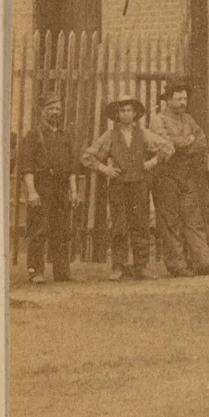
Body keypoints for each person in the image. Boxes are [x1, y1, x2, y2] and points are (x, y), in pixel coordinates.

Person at [82, 94, 174, 281]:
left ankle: (142, 266)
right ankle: (119, 266)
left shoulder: (143, 134)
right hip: (118, 186)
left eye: (129, 110)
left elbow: (168, 147)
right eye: (122, 111)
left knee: (140, 224)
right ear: (117, 114)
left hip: (140, 185)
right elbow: (87, 156)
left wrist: (153, 161)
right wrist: (105, 169)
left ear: (135, 113)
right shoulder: (110, 135)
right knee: (119, 226)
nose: (125, 114)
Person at [151, 79, 209, 277]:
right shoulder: (158, 119)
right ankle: (177, 266)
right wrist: (185, 142)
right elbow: (162, 143)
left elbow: (202, 141)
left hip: (186, 176)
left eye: (184, 99)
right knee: (171, 222)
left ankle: (204, 263)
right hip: (166, 176)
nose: (182, 102)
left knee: (193, 220)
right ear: (168, 100)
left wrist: (184, 145)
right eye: (178, 99)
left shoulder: (188, 119)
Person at [20, 93, 80, 284]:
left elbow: (72, 167)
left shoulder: (65, 136)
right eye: (51, 109)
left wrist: (73, 191)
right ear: (43, 111)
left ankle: (62, 273)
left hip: (62, 188)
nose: (55, 112)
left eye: (58, 109)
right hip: (42, 187)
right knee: (39, 229)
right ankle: (35, 272)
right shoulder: (33, 136)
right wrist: (31, 191)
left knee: (62, 230)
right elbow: (27, 166)